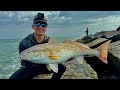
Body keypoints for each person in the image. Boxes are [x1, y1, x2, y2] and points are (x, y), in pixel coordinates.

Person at [9, 13, 66, 79]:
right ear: (33, 26)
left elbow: (56, 55)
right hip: (31, 68)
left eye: (43, 24)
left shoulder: (50, 41)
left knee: (62, 68)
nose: (40, 27)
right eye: (37, 24)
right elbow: (24, 63)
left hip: (45, 66)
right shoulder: (24, 43)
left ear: (46, 27)